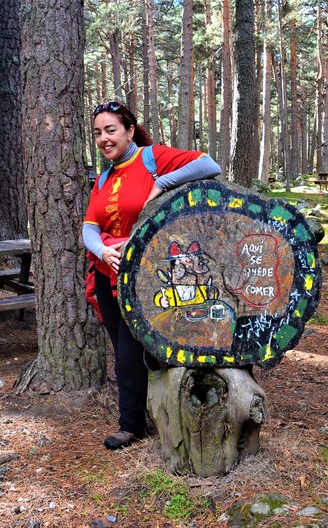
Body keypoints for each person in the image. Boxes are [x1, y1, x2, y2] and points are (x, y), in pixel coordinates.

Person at [82, 101, 222, 450]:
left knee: (132, 354)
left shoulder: (150, 158)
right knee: (123, 354)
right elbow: (89, 226)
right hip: (105, 274)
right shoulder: (103, 177)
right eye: (98, 133)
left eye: (111, 130)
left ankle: (132, 426)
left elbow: (209, 165)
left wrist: (162, 183)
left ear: (129, 131)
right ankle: (142, 415)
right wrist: (102, 251)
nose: (104, 138)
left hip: (143, 276)